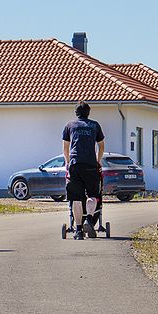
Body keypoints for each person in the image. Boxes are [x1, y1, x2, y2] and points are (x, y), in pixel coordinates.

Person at [63, 101, 105, 240]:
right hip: (90, 165)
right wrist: (98, 162)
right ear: (88, 112)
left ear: (76, 113)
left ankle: (79, 231)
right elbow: (101, 146)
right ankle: (89, 219)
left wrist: (68, 163)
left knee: (76, 198)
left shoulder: (69, 126)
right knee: (92, 195)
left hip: (75, 165)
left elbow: (66, 149)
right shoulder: (95, 125)